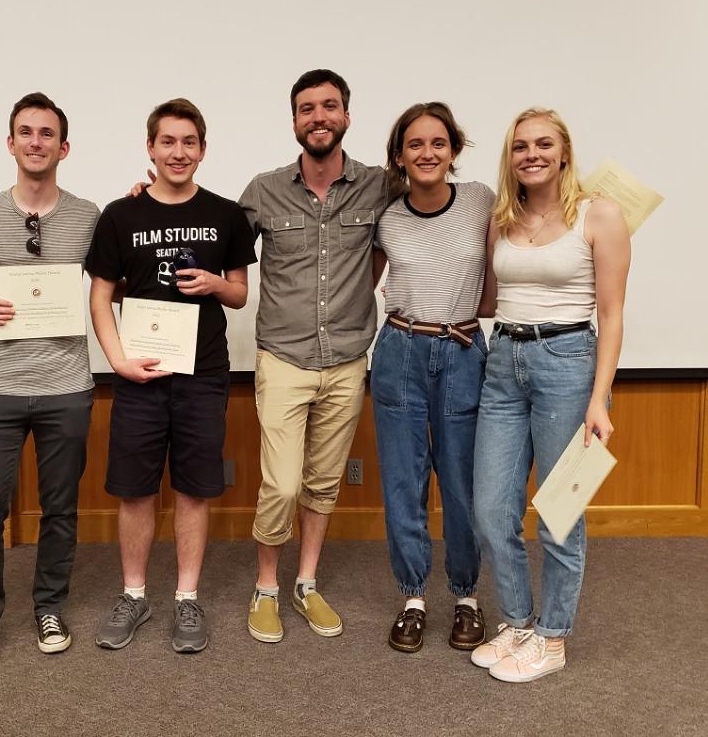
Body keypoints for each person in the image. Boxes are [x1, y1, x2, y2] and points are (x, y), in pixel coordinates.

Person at [87, 98, 256, 653]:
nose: (178, 152)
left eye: (189, 143)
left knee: (193, 489)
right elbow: (100, 296)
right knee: (134, 491)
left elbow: (239, 293)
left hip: (202, 376)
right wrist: (116, 361)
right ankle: (135, 594)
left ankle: (187, 597)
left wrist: (214, 284)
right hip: (138, 375)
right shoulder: (121, 214)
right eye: (168, 142)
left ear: (203, 150)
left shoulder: (226, 214)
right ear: (151, 149)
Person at [470, 107, 630, 682]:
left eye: (543, 144)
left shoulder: (600, 215)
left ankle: (553, 636)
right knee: (490, 510)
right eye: (519, 146)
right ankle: (517, 622)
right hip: (502, 363)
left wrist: (599, 398)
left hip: (569, 364)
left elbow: (610, 315)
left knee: (560, 512)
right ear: (509, 157)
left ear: (564, 152)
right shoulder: (501, 220)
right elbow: (489, 300)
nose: (530, 154)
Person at [0, 93, 99, 673]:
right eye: (25, 132)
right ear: (11, 143)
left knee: (60, 509)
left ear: (64, 147)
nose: (36, 142)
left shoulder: (89, 216)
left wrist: (139, 202)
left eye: (47, 133)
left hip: (67, 388)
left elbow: (114, 277)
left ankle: (49, 607)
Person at [239, 69, 392, 643]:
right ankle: (266, 588)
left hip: (349, 356)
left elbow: (427, 213)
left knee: (323, 481)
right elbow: (211, 234)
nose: (319, 117)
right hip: (284, 356)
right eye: (307, 109)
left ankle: (305, 583)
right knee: (280, 484)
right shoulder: (263, 189)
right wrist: (147, 199)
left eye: (329, 107)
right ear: (295, 121)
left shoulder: (380, 187)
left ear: (347, 116)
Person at [371, 102, 495, 654]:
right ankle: (413, 597)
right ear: (399, 155)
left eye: (437, 143)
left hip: (464, 351)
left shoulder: (481, 201)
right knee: (404, 482)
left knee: (463, 485)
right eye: (415, 144)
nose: (427, 153)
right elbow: (362, 282)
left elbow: (545, 214)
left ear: (455, 150)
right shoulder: (387, 216)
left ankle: (466, 596)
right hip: (400, 349)